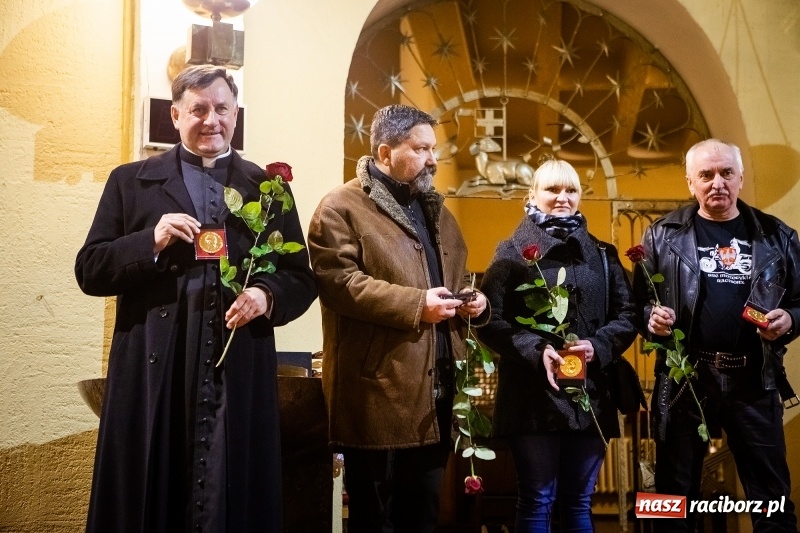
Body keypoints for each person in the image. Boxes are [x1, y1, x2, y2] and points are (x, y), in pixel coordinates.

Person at [75, 65, 317, 532]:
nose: (212, 119)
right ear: (176, 115)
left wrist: (266, 296)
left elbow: (300, 278)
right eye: (199, 109)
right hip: (156, 369)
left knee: (232, 492)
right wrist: (153, 239)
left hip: (236, 366)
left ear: (235, 113)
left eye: (222, 109)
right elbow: (90, 270)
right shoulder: (130, 182)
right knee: (153, 493)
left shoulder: (267, 190)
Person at [307, 104, 488, 532]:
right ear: (385, 152)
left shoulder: (438, 213)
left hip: (434, 394)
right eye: (421, 148)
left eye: (433, 149)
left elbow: (458, 277)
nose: (433, 159)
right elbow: (340, 283)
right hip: (376, 395)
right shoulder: (341, 207)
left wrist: (475, 301)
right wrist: (416, 305)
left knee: (422, 517)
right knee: (375, 520)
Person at [633, 138, 799, 532]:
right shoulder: (662, 235)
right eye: (706, 175)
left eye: (726, 173)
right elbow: (635, 304)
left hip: (755, 378)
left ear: (740, 178)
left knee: (772, 497)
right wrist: (649, 318)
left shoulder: (778, 235)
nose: (717, 182)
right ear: (691, 182)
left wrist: (790, 320)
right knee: (671, 498)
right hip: (684, 378)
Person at [477, 159, 638, 532]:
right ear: (532, 195)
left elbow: (628, 314)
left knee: (579, 503)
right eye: (552, 190)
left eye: (571, 190)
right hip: (531, 395)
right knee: (537, 498)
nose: (562, 198)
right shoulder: (510, 252)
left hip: (591, 392)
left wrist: (598, 345)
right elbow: (488, 320)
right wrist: (535, 349)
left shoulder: (603, 254)